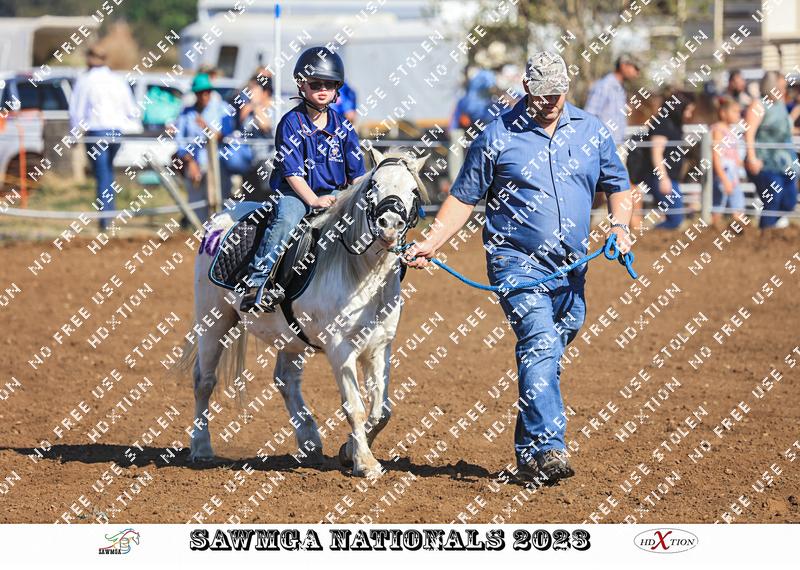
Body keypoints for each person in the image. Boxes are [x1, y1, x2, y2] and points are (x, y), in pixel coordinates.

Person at [405, 51, 633, 484]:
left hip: (571, 267)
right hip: (515, 261)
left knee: (546, 353)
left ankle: (528, 454)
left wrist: (620, 226)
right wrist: (431, 242)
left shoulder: (592, 131)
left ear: (567, 87)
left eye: (557, 92)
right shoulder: (497, 135)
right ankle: (549, 447)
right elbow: (463, 198)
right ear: (527, 88)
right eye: (542, 93)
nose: (550, 101)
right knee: (541, 342)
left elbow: (618, 185)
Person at [240, 47, 366, 312]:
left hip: (335, 194)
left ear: (337, 88)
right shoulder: (291, 123)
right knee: (286, 219)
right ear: (301, 84)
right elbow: (292, 173)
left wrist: (360, 202)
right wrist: (313, 200)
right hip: (296, 193)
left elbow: (357, 177)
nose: (322, 90)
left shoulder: (344, 127)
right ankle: (257, 283)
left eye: (329, 84)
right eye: (315, 84)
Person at [69, 44, 140, 230]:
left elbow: (77, 111)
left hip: (96, 132)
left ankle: (105, 220)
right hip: (116, 132)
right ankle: (109, 214)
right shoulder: (117, 80)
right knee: (107, 172)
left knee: (102, 174)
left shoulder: (85, 81)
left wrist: (74, 134)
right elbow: (131, 110)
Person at [585, 53, 642, 229]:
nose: (637, 72)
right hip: (605, 146)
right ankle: (635, 229)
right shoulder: (605, 86)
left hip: (615, 145)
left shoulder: (618, 88)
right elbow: (589, 115)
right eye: (634, 67)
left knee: (603, 191)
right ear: (623, 65)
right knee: (626, 188)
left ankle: (586, 224)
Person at [174, 73, 235, 222]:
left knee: (220, 203)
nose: (203, 96)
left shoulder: (222, 109)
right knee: (197, 204)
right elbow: (180, 141)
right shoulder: (186, 113)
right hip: (195, 164)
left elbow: (225, 136)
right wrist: (190, 162)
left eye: (206, 92)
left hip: (218, 164)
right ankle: (199, 230)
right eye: (200, 92)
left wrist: (206, 128)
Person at [744, 71, 799, 229]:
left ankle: (771, 230)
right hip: (765, 162)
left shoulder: (780, 105)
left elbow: (785, 130)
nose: (784, 90)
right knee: (772, 199)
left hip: (785, 163)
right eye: (781, 87)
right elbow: (749, 133)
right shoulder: (758, 105)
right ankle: (765, 234)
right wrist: (752, 158)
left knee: (789, 201)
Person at [646, 91, 695, 230]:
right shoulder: (662, 123)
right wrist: (663, 179)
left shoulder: (674, 124)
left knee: (675, 219)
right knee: (675, 220)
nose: (689, 114)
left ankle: (655, 237)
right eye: (688, 110)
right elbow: (656, 153)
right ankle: (650, 236)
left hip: (670, 178)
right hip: (663, 178)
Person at [711, 96, 746, 227]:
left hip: (732, 173)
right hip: (724, 172)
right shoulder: (718, 130)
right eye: (735, 111)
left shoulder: (730, 130)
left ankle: (739, 230)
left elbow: (734, 154)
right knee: (718, 205)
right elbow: (716, 156)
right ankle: (714, 230)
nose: (738, 115)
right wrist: (724, 178)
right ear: (723, 113)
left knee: (737, 204)